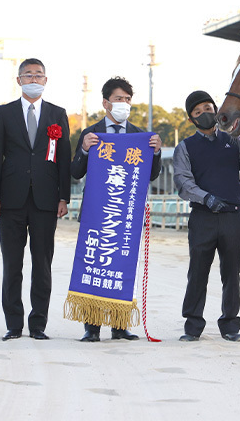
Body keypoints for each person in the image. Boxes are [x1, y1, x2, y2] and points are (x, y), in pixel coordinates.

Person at [71, 76, 162, 342]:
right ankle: (92, 326)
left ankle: (120, 326)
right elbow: (76, 171)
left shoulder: (139, 135)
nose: (123, 104)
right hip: (96, 212)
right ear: (105, 103)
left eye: (127, 99)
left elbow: (152, 175)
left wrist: (155, 153)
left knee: (122, 265)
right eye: (118, 99)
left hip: (126, 214)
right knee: (94, 263)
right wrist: (85, 150)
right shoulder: (91, 132)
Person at [174, 90, 240, 342]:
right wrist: (206, 197)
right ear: (191, 119)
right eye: (197, 112)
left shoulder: (235, 142)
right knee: (198, 271)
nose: (204, 113)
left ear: (216, 109)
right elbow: (183, 183)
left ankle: (230, 325)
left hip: (232, 218)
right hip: (203, 217)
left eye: (208, 108)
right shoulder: (185, 147)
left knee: (231, 273)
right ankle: (192, 326)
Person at [0, 58, 71, 341]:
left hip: (46, 201)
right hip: (10, 199)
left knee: (42, 264)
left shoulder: (57, 114)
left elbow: (63, 159)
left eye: (39, 76)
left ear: (46, 80)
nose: (34, 80)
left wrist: (64, 197)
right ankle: (14, 324)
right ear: (19, 80)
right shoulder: (4, 113)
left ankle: (38, 324)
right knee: (12, 264)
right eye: (28, 75)